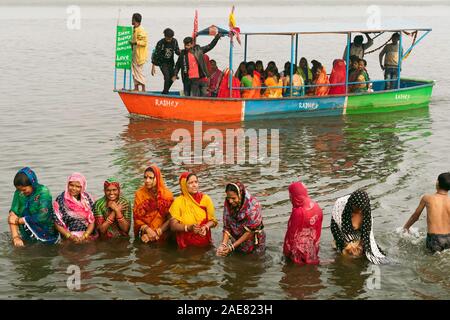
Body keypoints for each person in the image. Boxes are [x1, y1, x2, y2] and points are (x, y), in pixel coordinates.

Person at [330, 190, 388, 264]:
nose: (357, 213)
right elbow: (335, 227)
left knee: (368, 253)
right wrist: (342, 246)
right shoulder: (340, 205)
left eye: (360, 212)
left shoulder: (367, 216)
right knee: (342, 253)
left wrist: (360, 246)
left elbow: (367, 236)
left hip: (358, 233)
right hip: (344, 226)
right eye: (354, 212)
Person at [8, 167, 59, 247]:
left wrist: (20, 220)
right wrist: (16, 237)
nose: (21, 192)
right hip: (26, 234)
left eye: (24, 190)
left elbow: (43, 216)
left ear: (32, 184)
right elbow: (13, 215)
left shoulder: (43, 192)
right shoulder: (19, 193)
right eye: (19, 189)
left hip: (47, 234)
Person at [403, 173, 450, 253]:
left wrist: (406, 227)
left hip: (434, 238)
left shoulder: (427, 198)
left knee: (432, 261)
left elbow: (415, 216)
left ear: (437, 183)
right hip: (448, 237)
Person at [169, 172, 217, 249]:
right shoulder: (178, 202)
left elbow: (213, 221)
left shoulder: (206, 199)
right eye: (190, 183)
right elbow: (173, 226)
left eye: (196, 182)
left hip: (205, 242)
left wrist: (206, 226)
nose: (194, 185)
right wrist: (188, 228)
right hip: (185, 245)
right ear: (184, 185)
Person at [216, 182, 265, 256]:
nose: (230, 201)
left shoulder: (253, 206)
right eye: (228, 198)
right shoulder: (228, 204)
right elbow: (227, 227)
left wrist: (232, 247)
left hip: (253, 242)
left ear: (240, 195)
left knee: (254, 261)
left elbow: (250, 231)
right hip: (236, 240)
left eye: (233, 198)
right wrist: (223, 245)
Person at [283, 181, 323, 265]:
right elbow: (317, 231)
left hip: (299, 252)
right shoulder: (316, 206)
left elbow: (291, 236)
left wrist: (285, 253)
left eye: (290, 195)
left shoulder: (299, 212)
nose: (290, 198)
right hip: (312, 248)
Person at [133, 165, 174, 243]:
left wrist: (158, 232)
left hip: (163, 231)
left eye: (150, 178)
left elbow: (171, 218)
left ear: (157, 178)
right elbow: (137, 218)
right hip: (146, 233)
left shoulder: (167, 195)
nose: (147, 180)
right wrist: (147, 230)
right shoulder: (139, 194)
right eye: (145, 177)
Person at [53, 173, 97, 243]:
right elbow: (57, 222)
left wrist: (85, 235)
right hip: (68, 234)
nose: (74, 188)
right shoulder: (60, 199)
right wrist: (70, 236)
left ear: (82, 187)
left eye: (78, 186)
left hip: (87, 234)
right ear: (68, 185)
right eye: (71, 185)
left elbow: (92, 220)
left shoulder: (87, 199)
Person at [151, 28, 180, 94]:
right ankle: (165, 92)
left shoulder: (174, 41)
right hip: (162, 63)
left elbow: (177, 51)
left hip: (171, 62)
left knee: (173, 77)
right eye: (168, 39)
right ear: (165, 36)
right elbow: (155, 54)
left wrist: (183, 53)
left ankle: (165, 91)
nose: (169, 40)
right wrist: (153, 66)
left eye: (170, 38)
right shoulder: (160, 43)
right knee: (167, 77)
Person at [129, 13, 148, 92]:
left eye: (132, 19)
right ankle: (136, 87)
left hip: (139, 55)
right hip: (134, 54)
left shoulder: (141, 29)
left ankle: (143, 88)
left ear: (135, 20)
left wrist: (135, 42)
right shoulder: (134, 29)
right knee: (134, 71)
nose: (131, 20)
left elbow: (144, 42)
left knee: (139, 72)